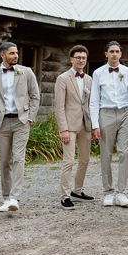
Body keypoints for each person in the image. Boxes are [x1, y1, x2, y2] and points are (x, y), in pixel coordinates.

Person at [0, 42, 40, 212]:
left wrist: (30, 118)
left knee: (18, 158)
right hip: (1, 122)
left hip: (21, 121)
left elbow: (35, 96)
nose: (15, 56)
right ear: (2, 55)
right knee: (4, 161)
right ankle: (5, 197)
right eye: (12, 53)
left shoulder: (27, 72)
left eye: (16, 53)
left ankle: (14, 198)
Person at [90, 41, 128, 208]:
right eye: (111, 51)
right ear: (106, 54)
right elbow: (94, 99)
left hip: (125, 113)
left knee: (124, 153)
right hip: (106, 113)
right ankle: (108, 191)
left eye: (117, 51)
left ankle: (121, 192)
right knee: (106, 154)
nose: (114, 54)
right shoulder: (98, 73)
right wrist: (95, 124)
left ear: (121, 54)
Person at [54, 45, 97, 210]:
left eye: (84, 58)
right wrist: (63, 129)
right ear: (71, 59)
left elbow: (90, 104)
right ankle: (64, 196)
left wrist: (93, 127)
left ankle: (77, 191)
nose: (81, 60)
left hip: (85, 125)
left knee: (85, 160)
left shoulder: (89, 79)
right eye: (78, 57)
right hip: (69, 126)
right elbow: (59, 106)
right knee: (69, 161)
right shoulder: (63, 78)